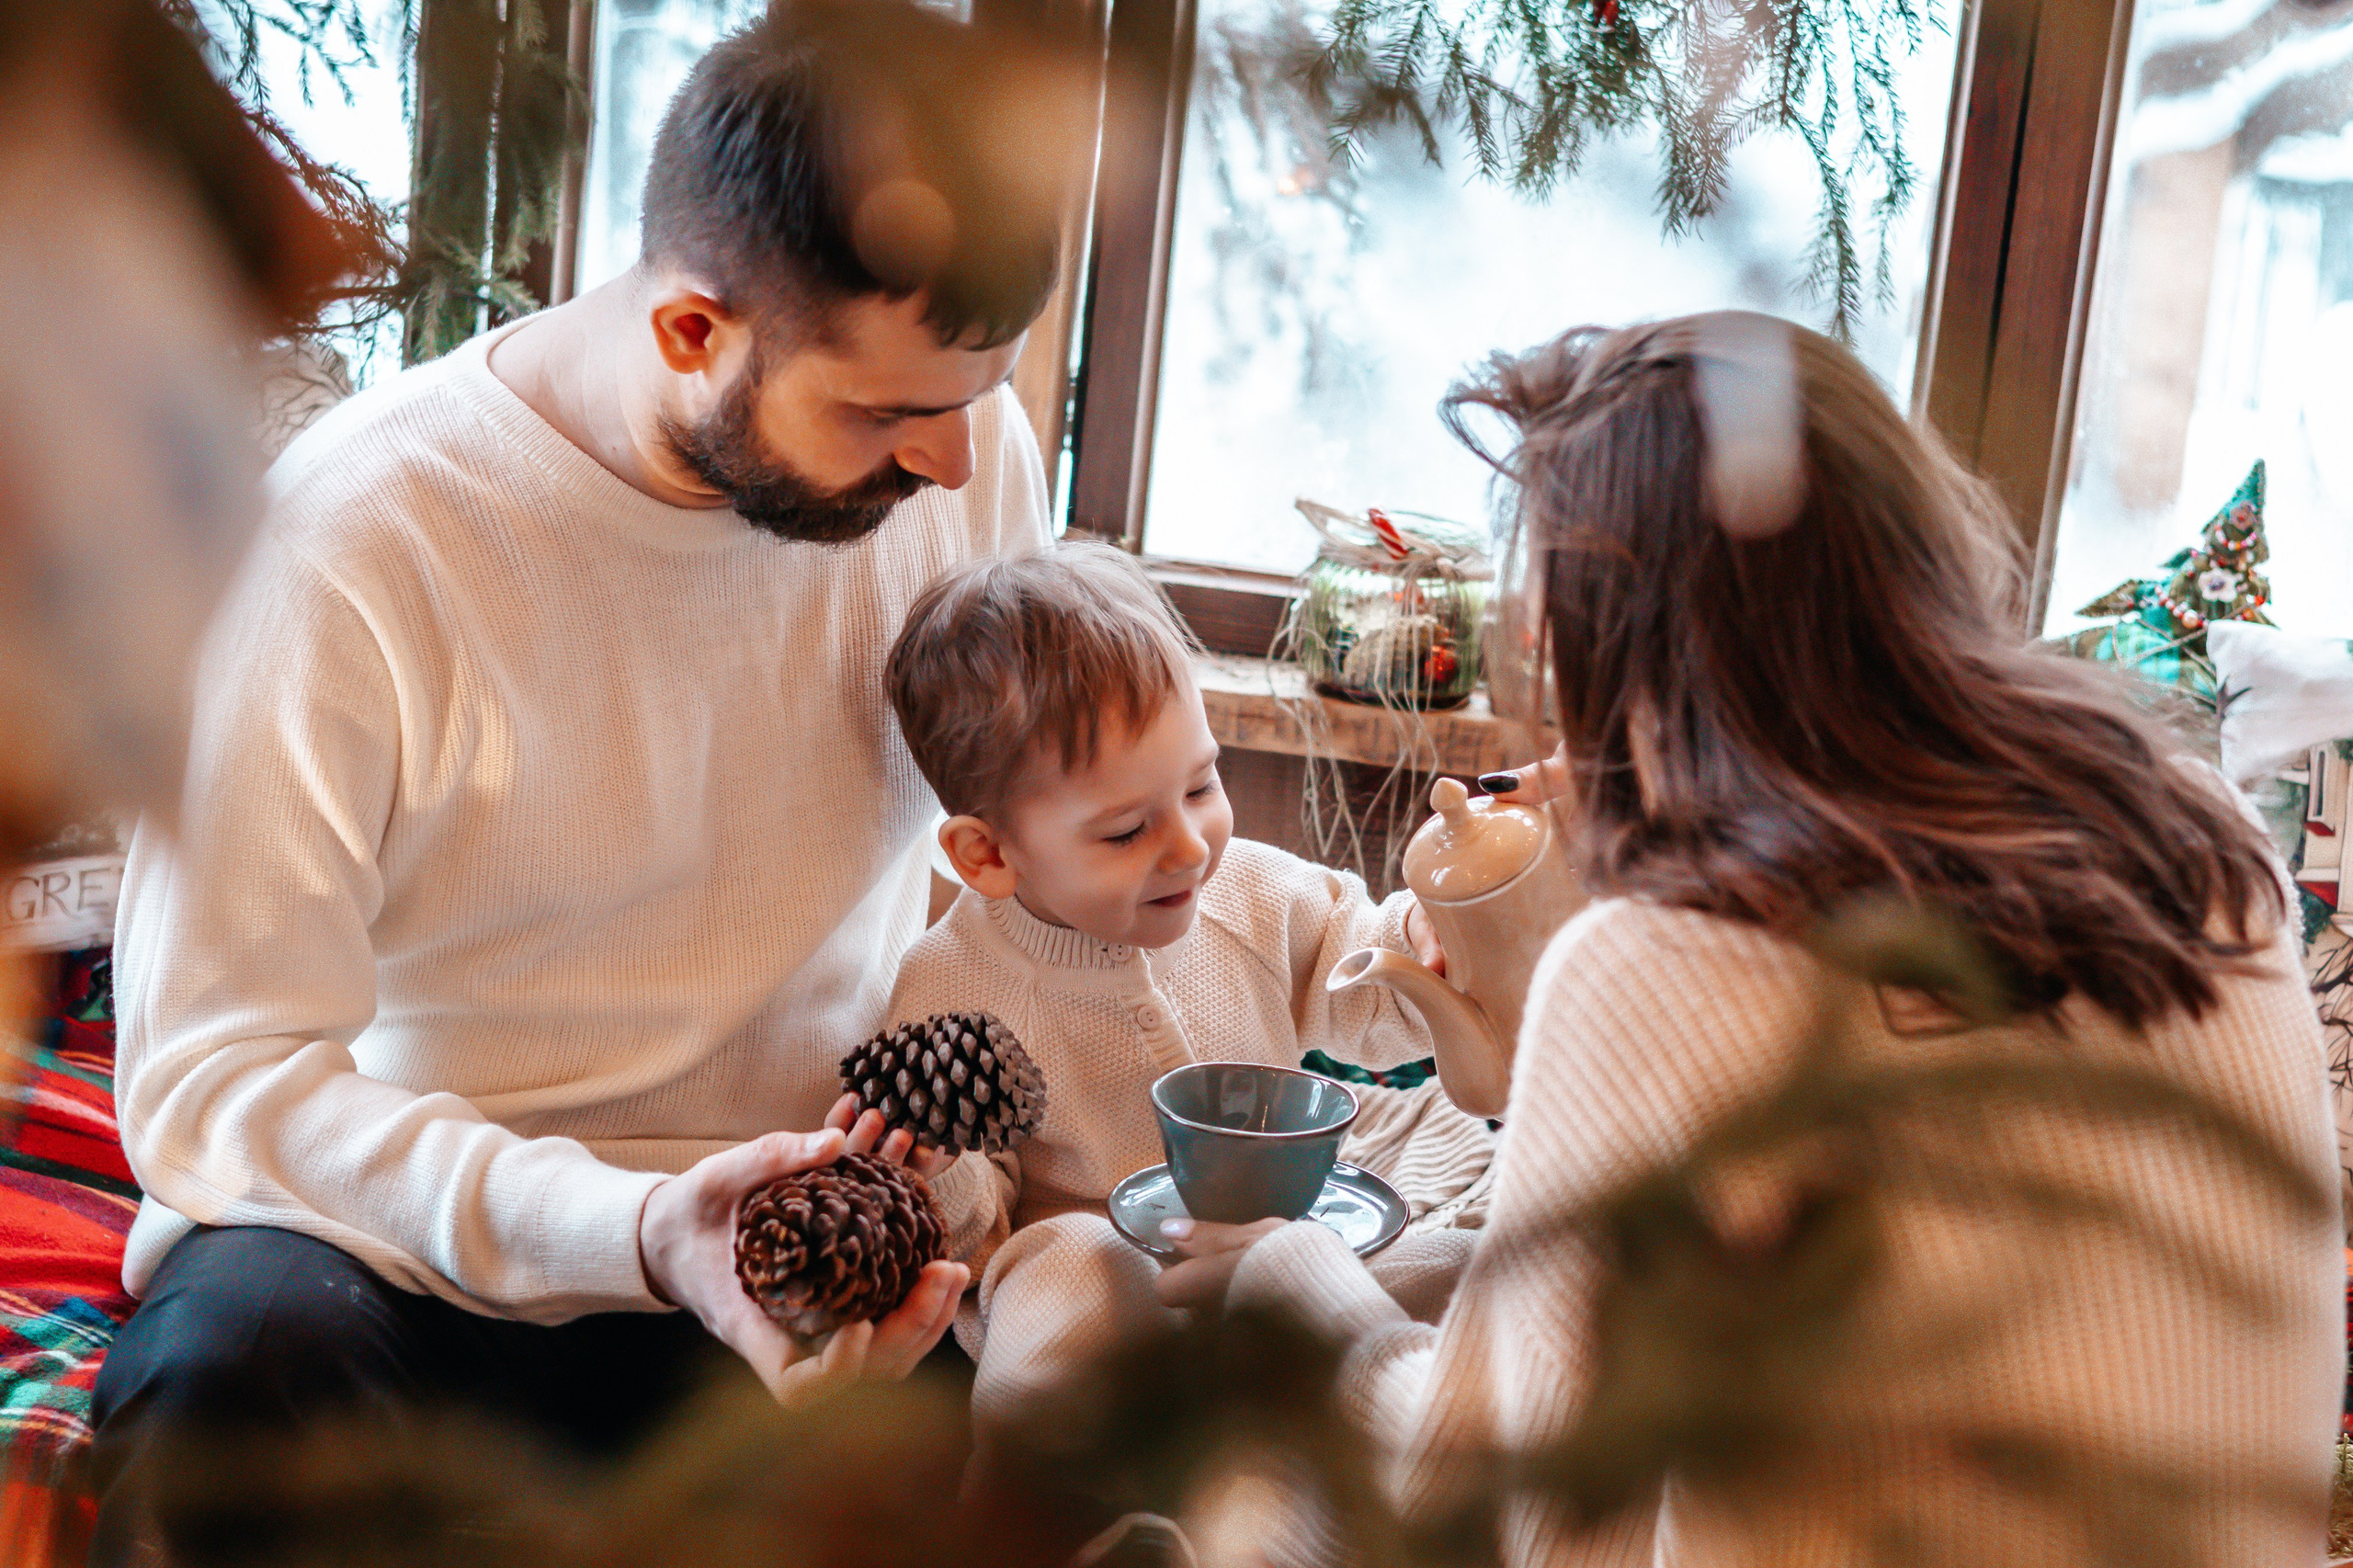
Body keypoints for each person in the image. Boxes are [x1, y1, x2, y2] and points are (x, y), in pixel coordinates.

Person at [92, 0, 1076, 1545]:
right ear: (691, 330)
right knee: (229, 1379)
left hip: (810, 1254)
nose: (954, 466)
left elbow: (1013, 858)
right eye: (891, 410)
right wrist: (629, 1228)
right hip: (419, 1255)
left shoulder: (967, 460)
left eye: (976, 397)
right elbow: (214, 1082)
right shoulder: (347, 548)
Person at [1155, 313, 2345, 1565]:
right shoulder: (2206, 843)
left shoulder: (1672, 968)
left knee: (1236, 1476)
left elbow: (1514, 1511)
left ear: (1632, 675)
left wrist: (1294, 1275)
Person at [880, 543, 1495, 1423]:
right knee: (1068, 1282)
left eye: (1202, 784)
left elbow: (1368, 981)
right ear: (989, 854)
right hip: (1100, 1290)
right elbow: (974, 1239)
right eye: (1127, 831)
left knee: (1473, 1272)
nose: (1190, 848)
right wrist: (932, 1172)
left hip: (1281, 1251)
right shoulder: (948, 994)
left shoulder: (1249, 890)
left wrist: (1425, 938)